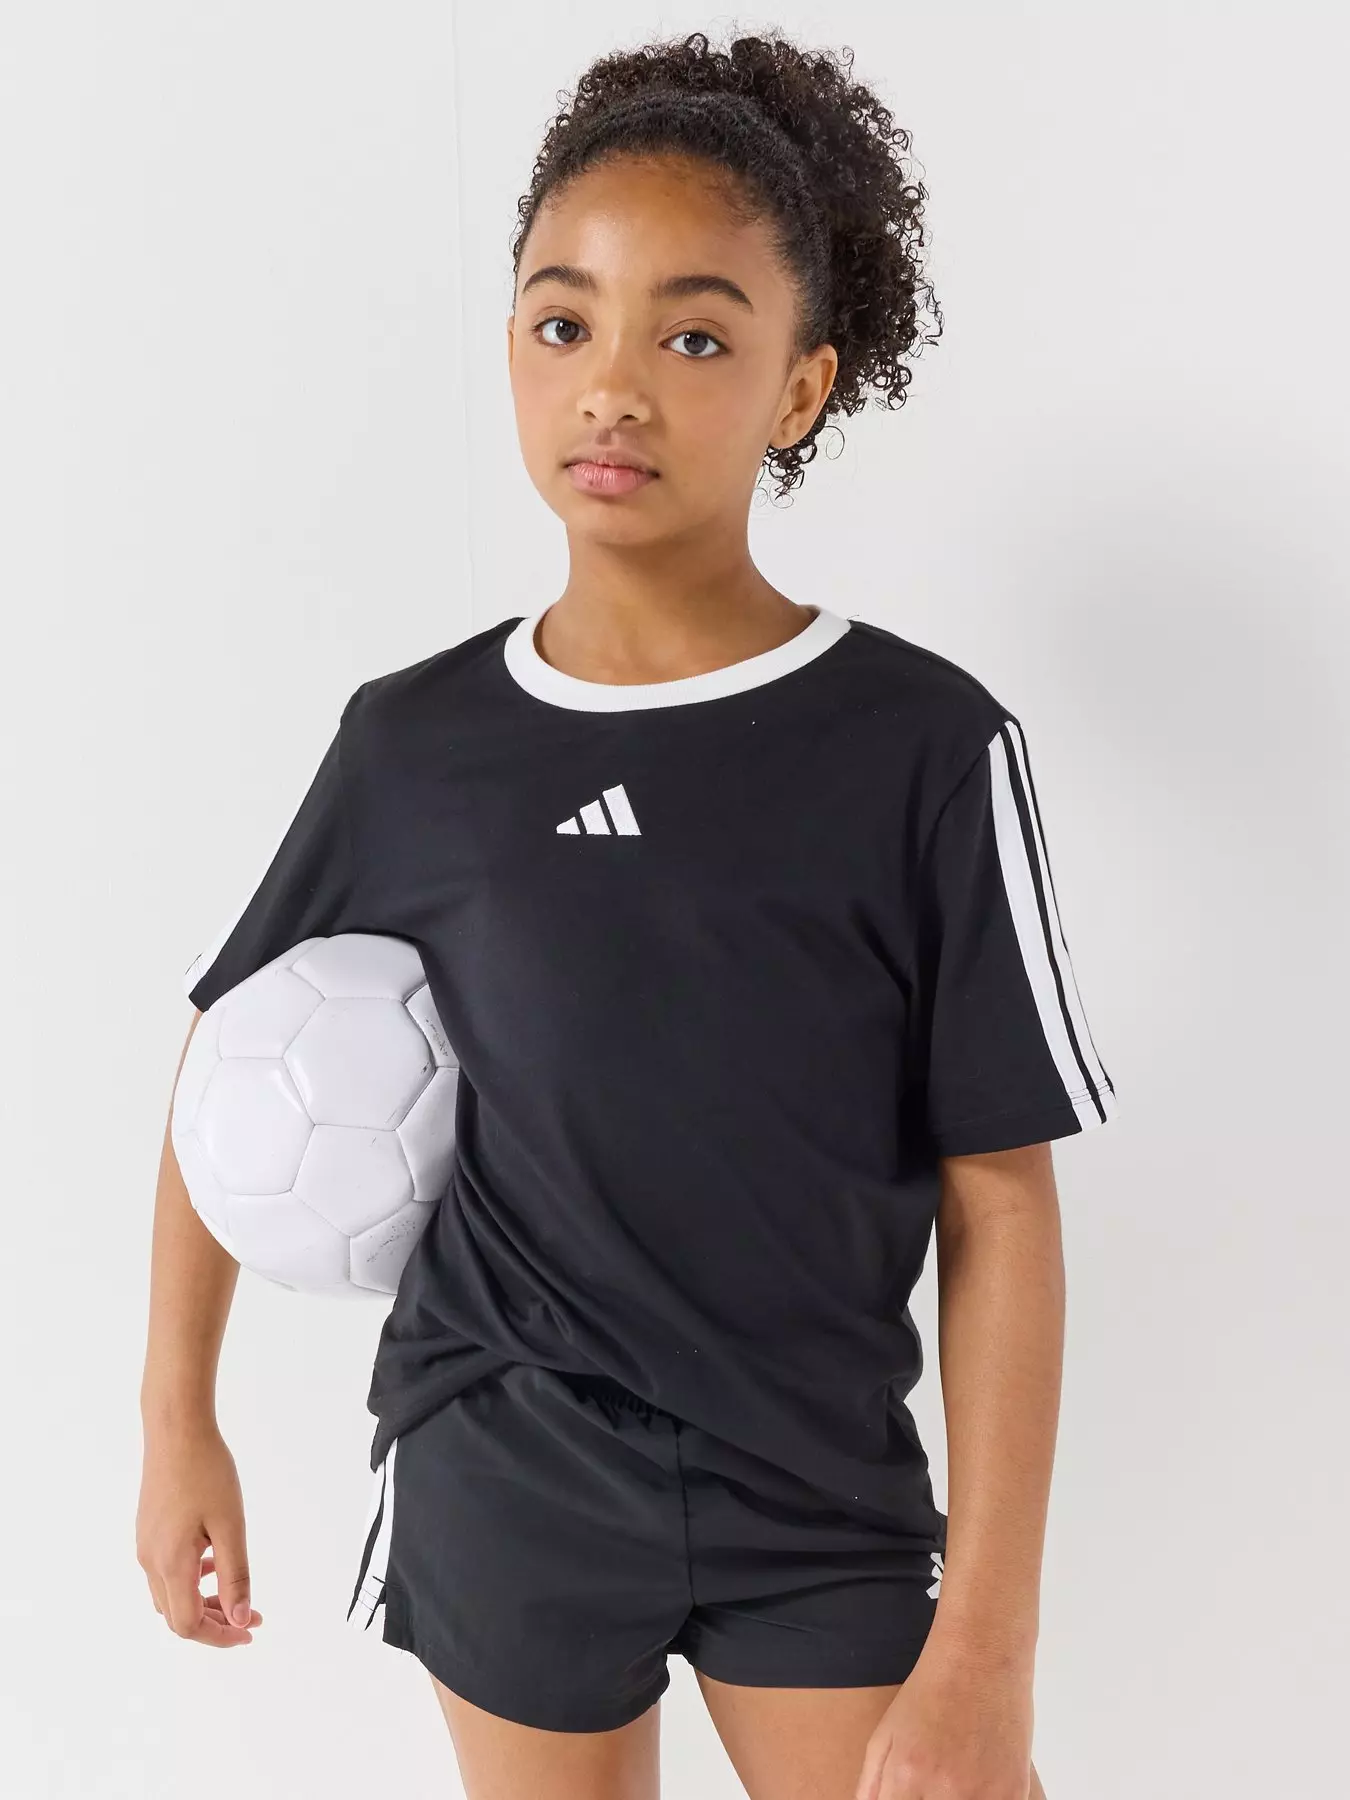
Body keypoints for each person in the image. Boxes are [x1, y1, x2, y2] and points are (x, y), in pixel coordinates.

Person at [138, 27, 1118, 1800]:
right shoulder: (414, 743)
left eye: (692, 336)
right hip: (503, 1458)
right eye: (561, 323)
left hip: (815, 1488)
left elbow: (1000, 1201)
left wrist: (985, 1650)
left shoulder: (919, 743)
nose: (611, 388)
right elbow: (226, 1057)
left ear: (801, 387)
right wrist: (175, 1417)